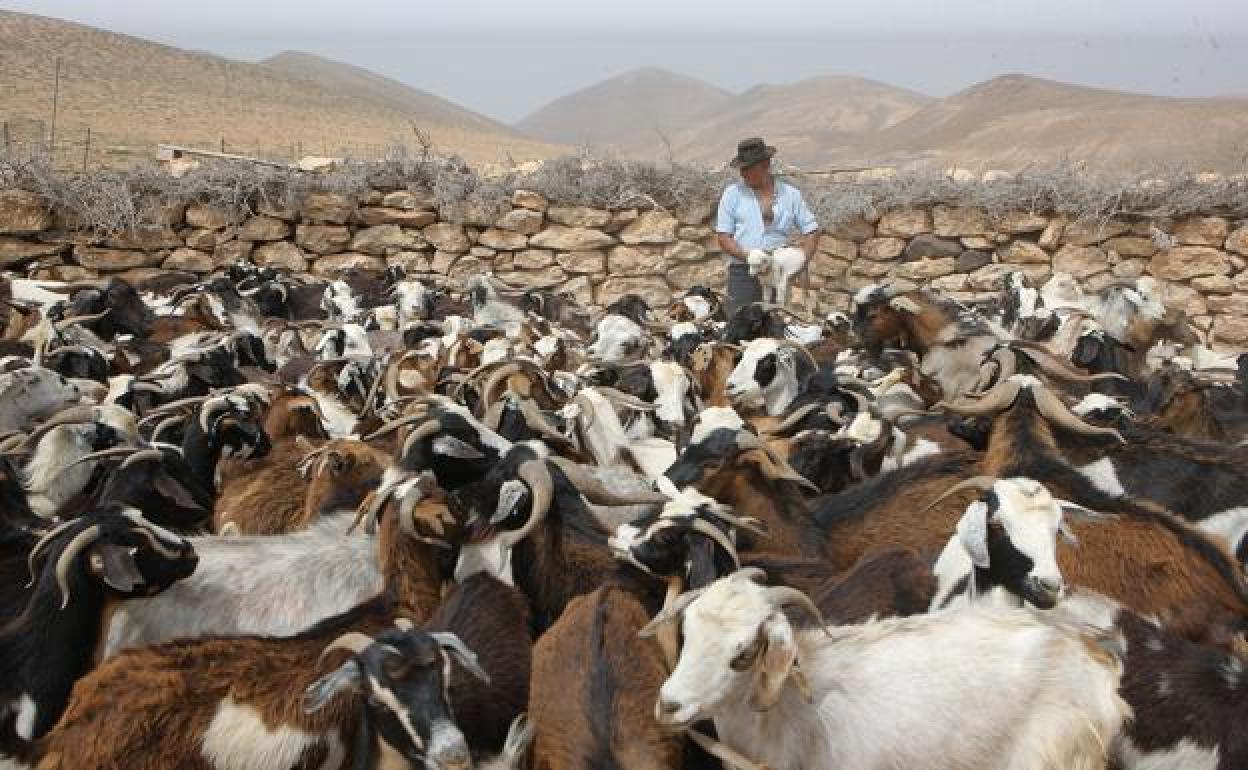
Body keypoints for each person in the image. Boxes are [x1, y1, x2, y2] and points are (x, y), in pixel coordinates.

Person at [715, 137, 821, 317]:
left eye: (748, 168)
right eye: (742, 169)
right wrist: (748, 256)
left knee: (777, 325)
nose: (743, 174)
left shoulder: (790, 194)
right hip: (744, 271)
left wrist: (800, 263)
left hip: (778, 271)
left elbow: (812, 231)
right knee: (739, 324)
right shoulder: (732, 194)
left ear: (765, 164)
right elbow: (724, 236)